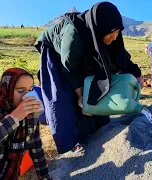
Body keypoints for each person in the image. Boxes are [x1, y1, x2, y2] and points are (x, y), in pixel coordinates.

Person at [35, 2, 143, 153]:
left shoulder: (102, 30)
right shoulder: (73, 34)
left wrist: (136, 72)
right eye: (111, 34)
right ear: (100, 29)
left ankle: (97, 128)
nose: (114, 37)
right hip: (55, 52)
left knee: (94, 87)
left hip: (79, 53)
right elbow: (70, 69)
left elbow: (118, 55)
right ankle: (72, 141)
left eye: (117, 33)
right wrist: (81, 96)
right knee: (63, 95)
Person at [0, 68, 52, 180]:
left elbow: (36, 148)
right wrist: (14, 117)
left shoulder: (31, 116)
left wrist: (45, 178)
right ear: (6, 89)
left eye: (30, 89)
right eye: (20, 91)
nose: (27, 96)